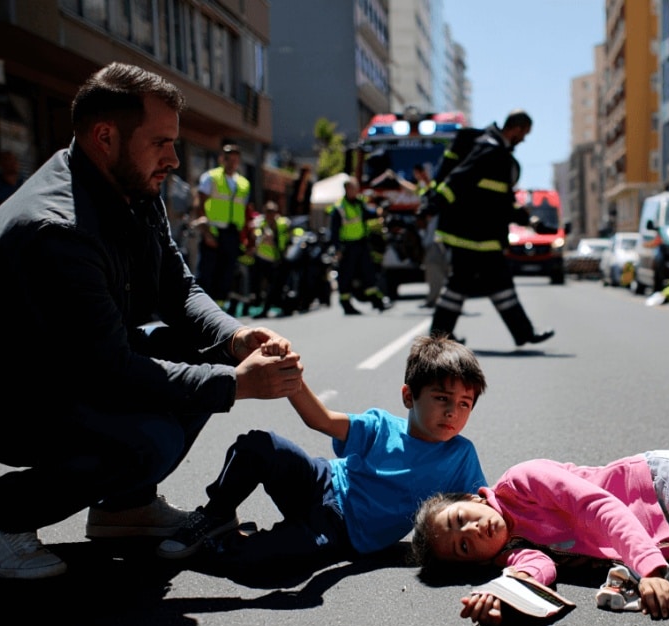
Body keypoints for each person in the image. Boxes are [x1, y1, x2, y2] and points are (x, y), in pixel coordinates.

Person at [0, 62, 304, 580]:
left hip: (62, 367)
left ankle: (126, 509)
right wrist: (235, 384)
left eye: (175, 143)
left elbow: (178, 288)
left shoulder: (133, 188)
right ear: (105, 137)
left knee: (194, 352)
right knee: (150, 439)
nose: (174, 159)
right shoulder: (57, 229)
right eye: (161, 143)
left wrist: (236, 338)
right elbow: (108, 372)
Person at [156, 335, 488, 570]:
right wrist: (290, 374)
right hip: (320, 481)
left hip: (341, 531)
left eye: (465, 404)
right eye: (442, 398)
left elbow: (487, 505)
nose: (452, 412)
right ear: (408, 396)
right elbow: (322, 420)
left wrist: (512, 555)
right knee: (259, 445)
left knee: (260, 562)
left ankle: (224, 545)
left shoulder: (461, 456)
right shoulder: (380, 427)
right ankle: (216, 515)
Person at [412, 447, 669, 626]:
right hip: (658, 533)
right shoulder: (510, 552)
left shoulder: (522, 480)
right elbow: (537, 571)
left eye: (461, 518)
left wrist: (651, 571)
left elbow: (598, 507)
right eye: (463, 546)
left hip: (657, 482)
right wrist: (503, 596)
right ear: (478, 561)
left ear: (472, 498)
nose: (472, 530)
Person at [423, 110, 554, 346]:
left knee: (495, 285)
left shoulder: (498, 152)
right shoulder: (490, 149)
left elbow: (503, 201)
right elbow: (459, 178)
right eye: (524, 133)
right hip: (473, 236)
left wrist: (532, 223)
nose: (523, 139)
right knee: (465, 286)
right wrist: (434, 204)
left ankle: (522, 333)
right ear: (516, 129)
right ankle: (440, 335)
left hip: (482, 236)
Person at [196, 143, 251, 310]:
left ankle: (219, 309)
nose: (232, 163)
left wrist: (247, 237)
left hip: (232, 233)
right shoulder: (210, 178)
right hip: (213, 231)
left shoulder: (243, 183)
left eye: (235, 159)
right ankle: (202, 309)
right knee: (207, 272)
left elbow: (245, 211)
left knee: (227, 273)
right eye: (228, 159)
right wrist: (206, 232)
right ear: (222, 159)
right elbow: (199, 204)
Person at [328, 178, 389, 314]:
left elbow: (368, 214)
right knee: (346, 276)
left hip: (361, 244)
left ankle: (376, 301)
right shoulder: (339, 207)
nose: (356, 191)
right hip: (347, 247)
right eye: (354, 188)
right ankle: (346, 304)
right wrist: (337, 249)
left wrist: (379, 211)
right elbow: (334, 231)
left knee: (368, 273)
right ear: (347, 189)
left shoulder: (359, 203)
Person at [247, 200, 296, 319]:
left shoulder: (283, 223)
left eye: (272, 211)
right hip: (263, 259)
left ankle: (281, 307)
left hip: (279, 259)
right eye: (268, 211)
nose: (270, 214)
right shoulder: (261, 223)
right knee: (263, 286)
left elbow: (290, 235)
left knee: (277, 286)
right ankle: (263, 309)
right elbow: (255, 234)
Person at [414, 163, 448, 309]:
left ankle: (436, 299)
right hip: (432, 237)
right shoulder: (425, 191)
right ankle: (439, 298)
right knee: (435, 267)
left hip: (439, 237)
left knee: (434, 265)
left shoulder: (437, 189)